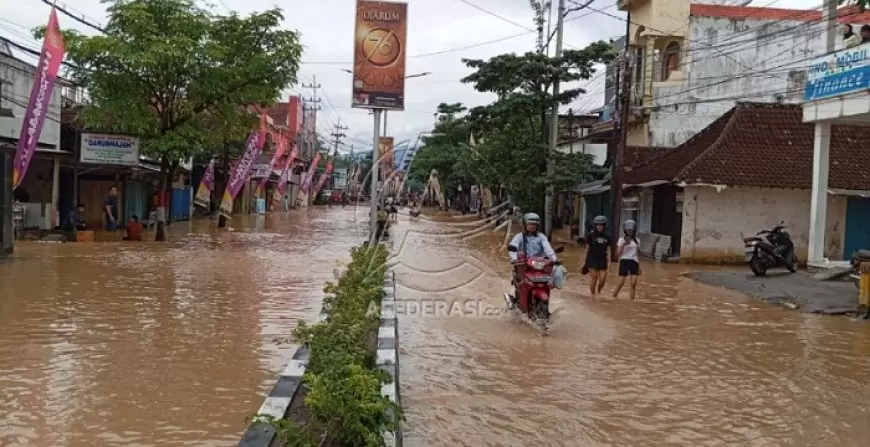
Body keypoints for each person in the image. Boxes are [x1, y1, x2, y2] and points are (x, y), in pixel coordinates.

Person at [508, 212, 558, 303]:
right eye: (530, 224)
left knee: (550, 278)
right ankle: (517, 299)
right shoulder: (519, 237)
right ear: (525, 225)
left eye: (534, 224)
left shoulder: (541, 237)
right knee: (520, 281)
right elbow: (513, 247)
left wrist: (553, 258)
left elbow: (548, 248)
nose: (532, 226)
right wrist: (514, 259)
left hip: (539, 265)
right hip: (523, 264)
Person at [582, 215, 611, 296]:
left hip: (602, 259)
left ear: (604, 226)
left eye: (601, 225)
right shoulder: (590, 236)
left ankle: (599, 292)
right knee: (594, 277)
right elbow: (587, 248)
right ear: (595, 226)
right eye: (598, 225)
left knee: (602, 279)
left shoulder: (607, 237)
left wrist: (609, 262)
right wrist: (584, 262)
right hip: (592, 258)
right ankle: (593, 296)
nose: (599, 227)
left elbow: (608, 250)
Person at [613, 219, 641, 300]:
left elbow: (637, 254)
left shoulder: (637, 240)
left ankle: (631, 300)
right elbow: (618, 253)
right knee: (621, 282)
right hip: (624, 261)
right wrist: (624, 244)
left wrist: (639, 267)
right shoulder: (621, 240)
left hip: (634, 262)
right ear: (625, 230)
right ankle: (613, 296)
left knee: (633, 283)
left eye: (631, 230)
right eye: (628, 230)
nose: (629, 231)